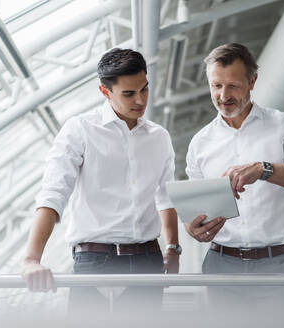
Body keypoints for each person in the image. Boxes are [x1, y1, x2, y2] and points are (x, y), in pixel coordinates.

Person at [21, 48, 181, 313]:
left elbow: (165, 197)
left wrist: (173, 249)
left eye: (144, 89)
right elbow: (52, 195)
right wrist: (31, 259)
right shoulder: (80, 130)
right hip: (94, 259)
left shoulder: (159, 137)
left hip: (148, 260)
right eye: (129, 93)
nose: (140, 100)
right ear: (105, 92)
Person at [184, 43, 284, 309]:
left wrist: (264, 169)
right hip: (221, 265)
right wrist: (193, 228)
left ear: (252, 81)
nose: (223, 95)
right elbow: (197, 212)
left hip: (280, 267)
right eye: (216, 86)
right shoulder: (199, 143)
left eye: (233, 86)